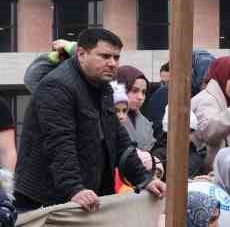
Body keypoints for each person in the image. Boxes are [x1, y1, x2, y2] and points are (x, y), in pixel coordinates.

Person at [14, 27, 164, 211]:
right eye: (105, 56)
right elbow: (60, 142)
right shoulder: (57, 86)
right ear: (81, 54)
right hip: (44, 199)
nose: (113, 63)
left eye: (116, 57)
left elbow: (119, 140)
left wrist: (144, 179)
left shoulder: (104, 88)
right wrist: (74, 188)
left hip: (84, 195)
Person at [114, 66, 157, 152]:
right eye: (134, 90)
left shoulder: (145, 122)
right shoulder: (106, 119)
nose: (140, 97)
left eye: (144, 92)